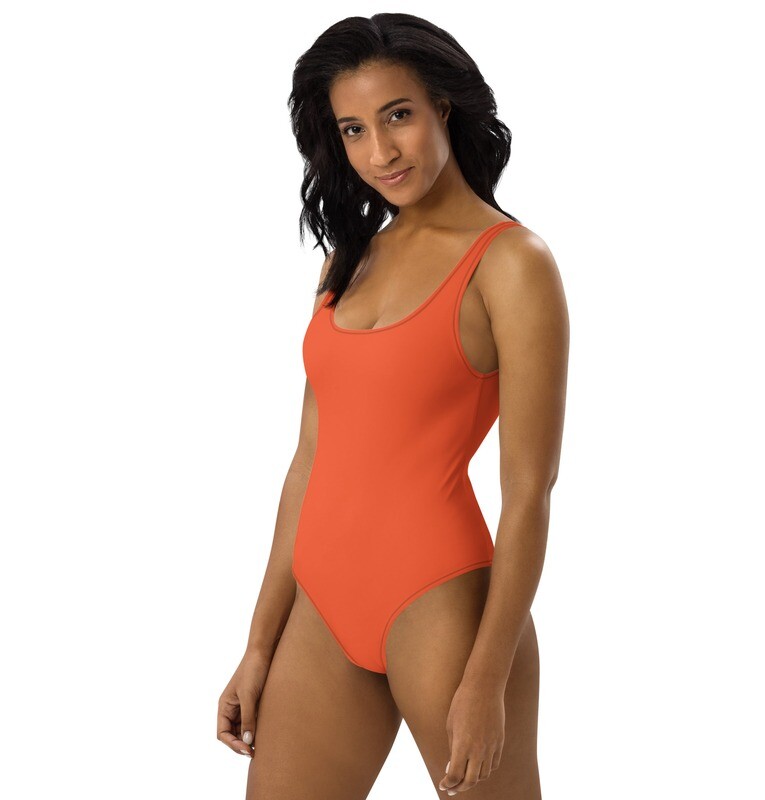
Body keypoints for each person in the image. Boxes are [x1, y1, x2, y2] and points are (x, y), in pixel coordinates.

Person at [218, 12, 569, 799]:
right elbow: (310, 461)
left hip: (440, 607)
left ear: (443, 106)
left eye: (397, 115)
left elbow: (530, 490)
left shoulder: (511, 263)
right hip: (321, 607)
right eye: (353, 129)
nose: (380, 151)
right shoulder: (346, 262)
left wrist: (486, 678)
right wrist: (258, 644)